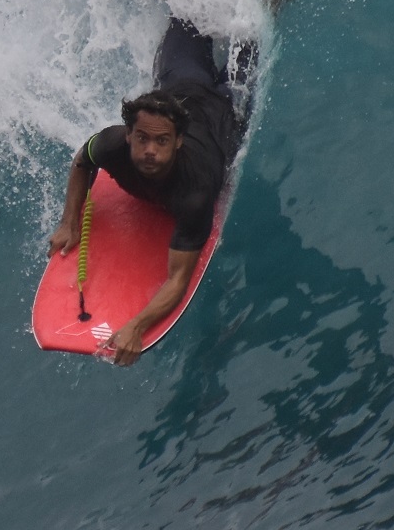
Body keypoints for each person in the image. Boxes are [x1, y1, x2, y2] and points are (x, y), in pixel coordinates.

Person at [49, 18, 252, 365]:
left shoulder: (195, 191)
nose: (149, 151)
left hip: (226, 109)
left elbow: (177, 279)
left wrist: (137, 325)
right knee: (186, 14)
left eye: (161, 142)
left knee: (253, 30)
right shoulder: (113, 143)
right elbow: (83, 160)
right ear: (129, 135)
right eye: (142, 138)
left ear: (178, 142)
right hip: (183, 85)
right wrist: (69, 221)